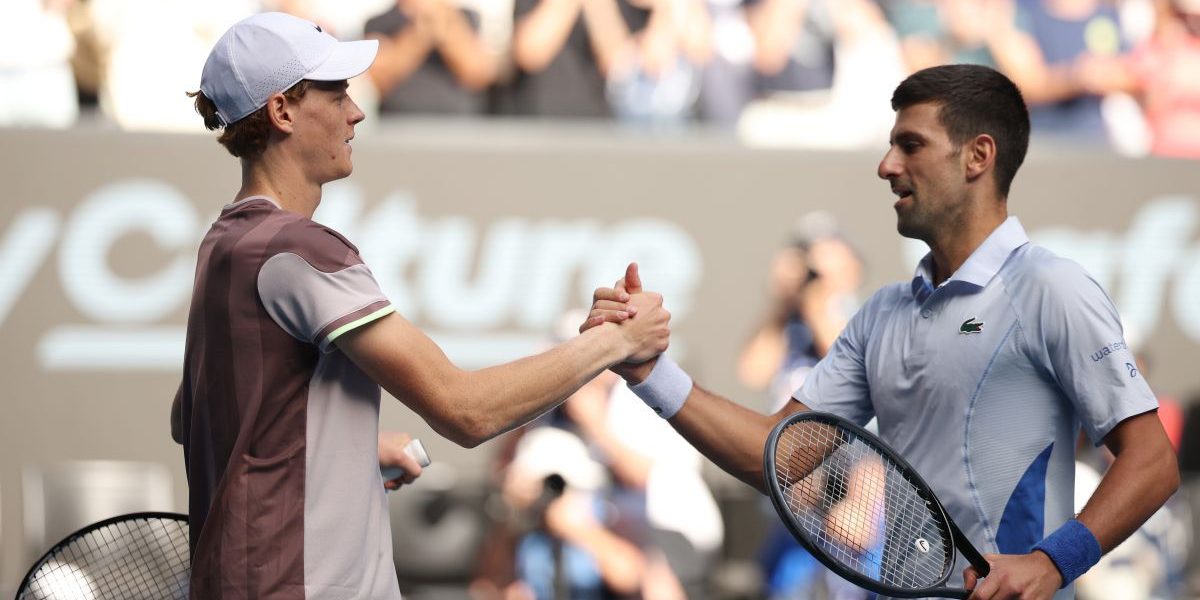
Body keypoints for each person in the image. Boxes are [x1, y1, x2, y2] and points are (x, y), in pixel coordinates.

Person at [586, 64, 1178, 600]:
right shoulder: (881, 314)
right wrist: (648, 371)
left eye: (910, 145)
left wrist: (1051, 564)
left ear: (977, 157)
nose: (886, 165)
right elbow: (778, 458)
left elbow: (1152, 462)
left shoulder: (1052, 289)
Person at [169, 12, 669, 599]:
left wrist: (346, 450)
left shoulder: (225, 244)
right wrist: (614, 343)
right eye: (337, 94)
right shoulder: (299, 249)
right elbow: (466, 411)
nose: (356, 112)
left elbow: (196, 418)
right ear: (282, 112)